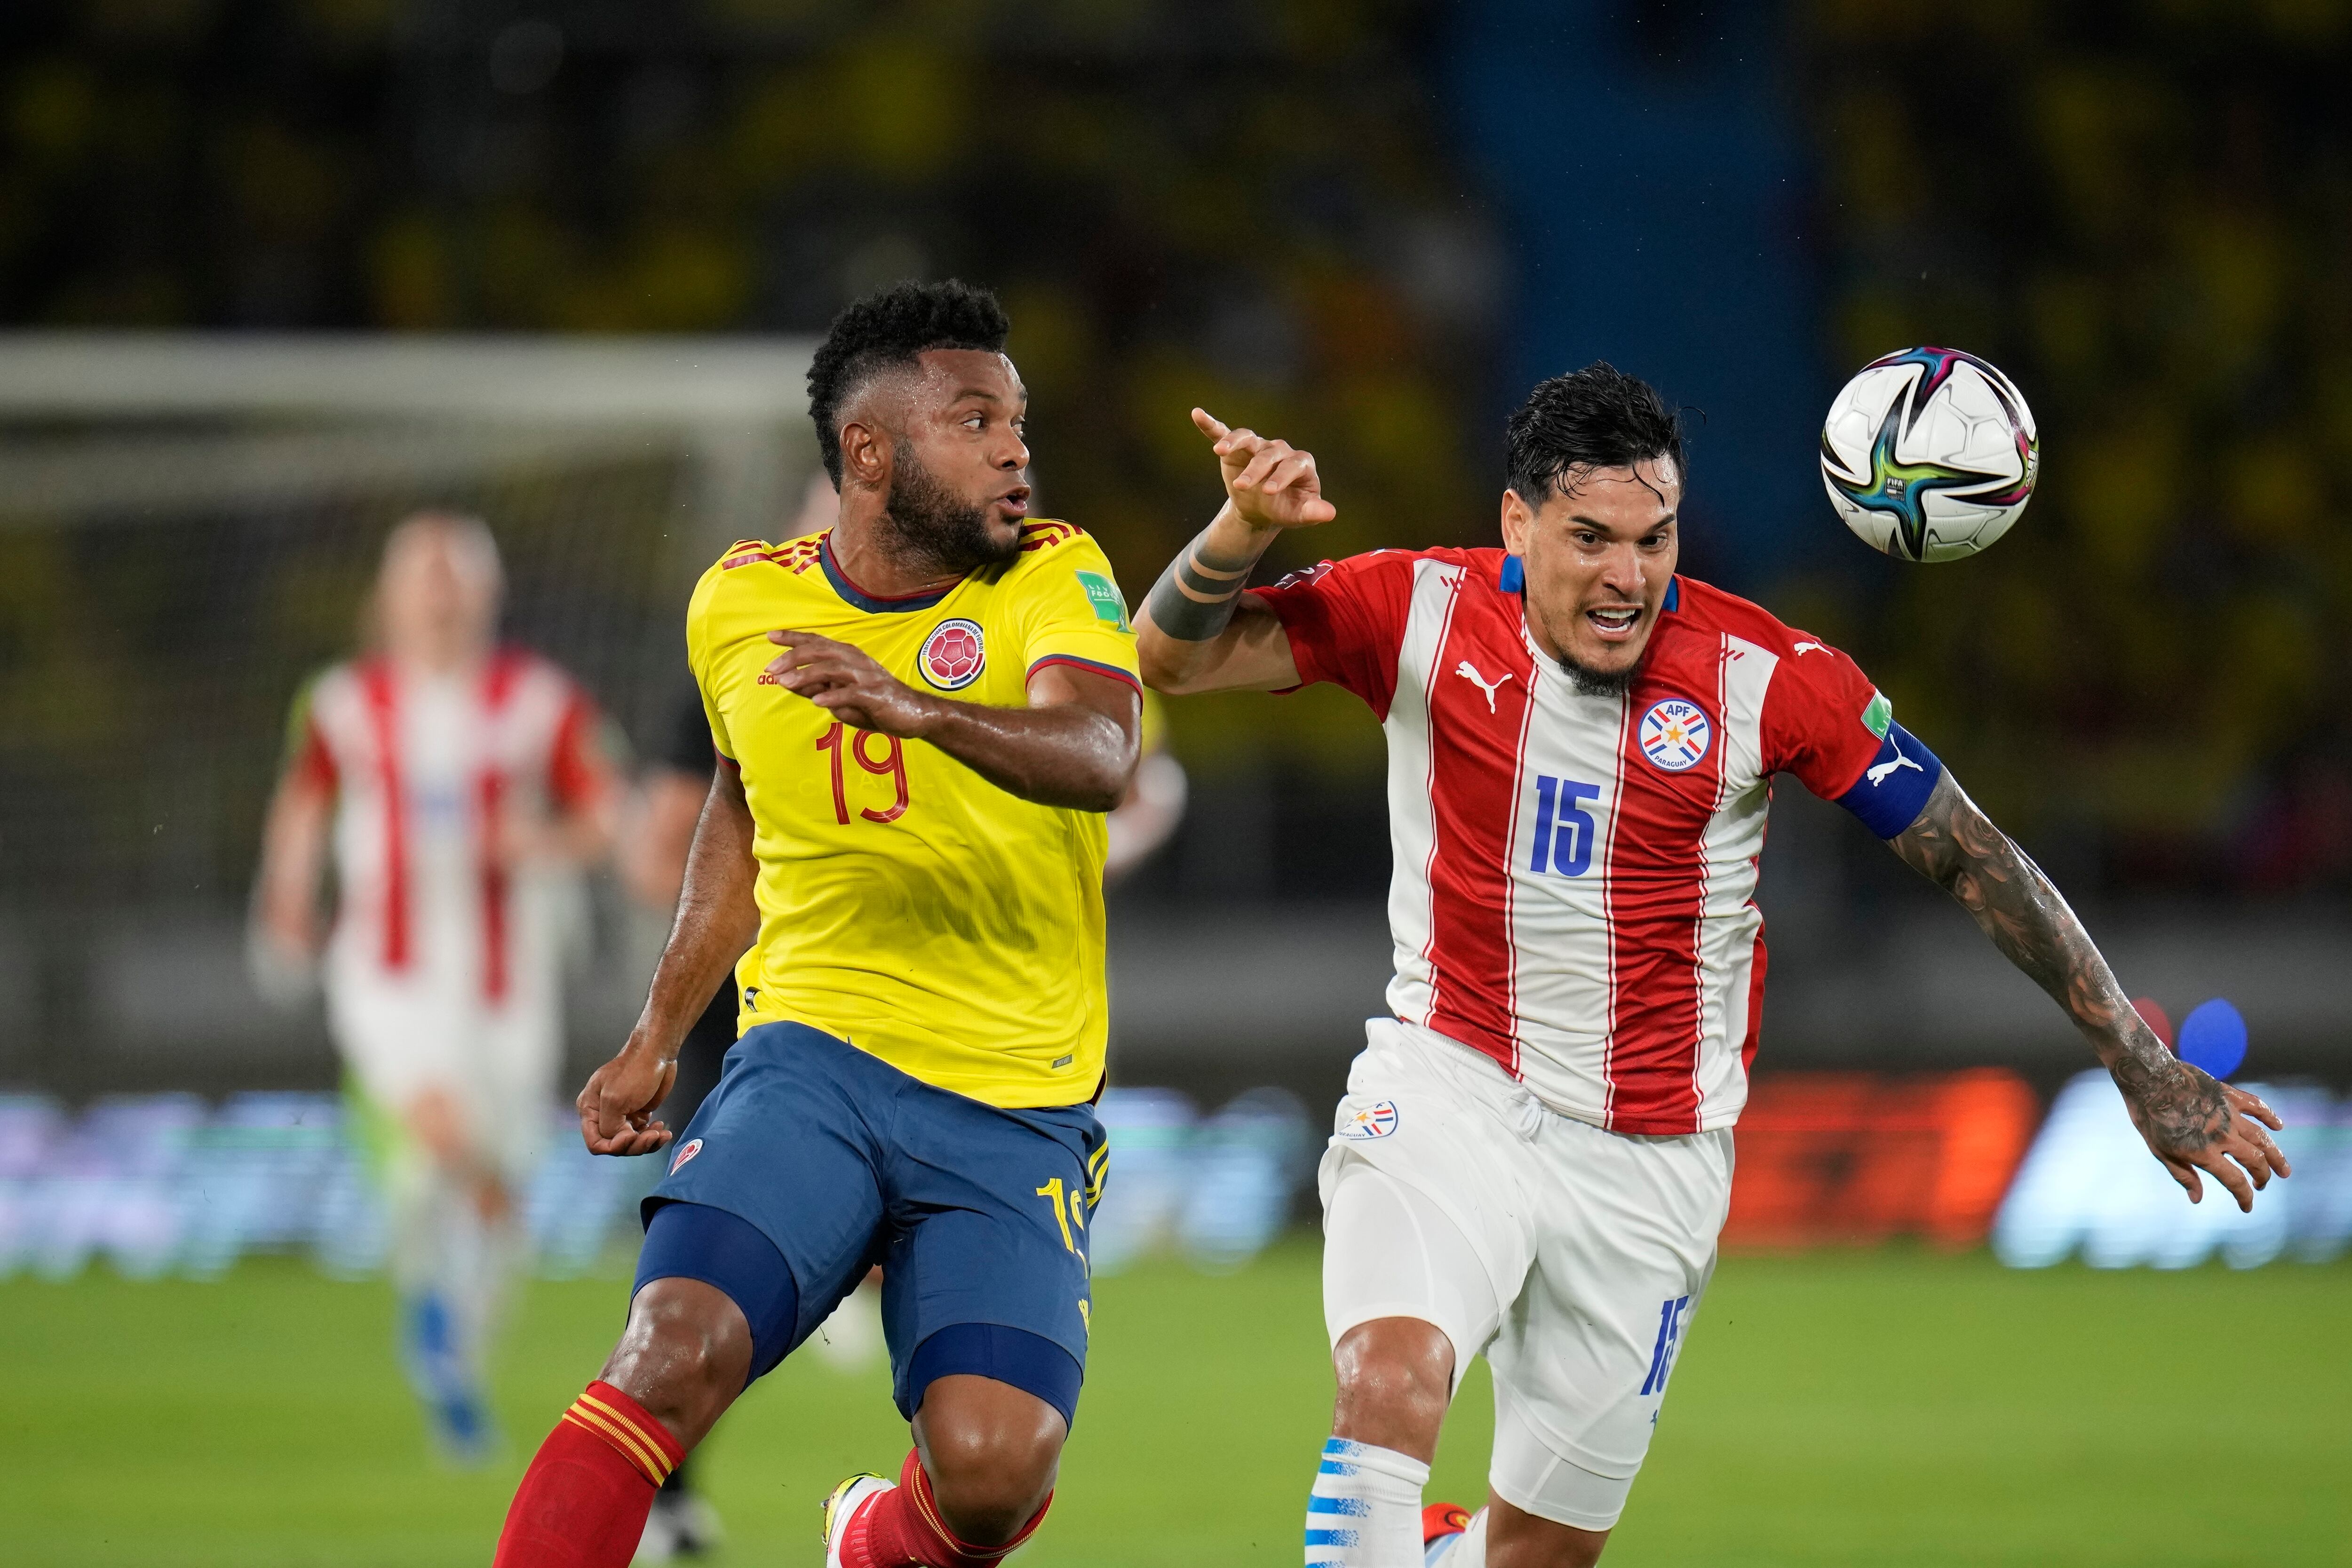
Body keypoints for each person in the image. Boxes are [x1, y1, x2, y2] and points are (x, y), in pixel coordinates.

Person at [1133, 366, 2292, 1568]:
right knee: (1389, 1378)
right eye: (1589, 539)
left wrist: (2141, 1060)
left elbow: (1969, 854)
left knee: (1539, 1550)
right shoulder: (1414, 607)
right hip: (1449, 1084)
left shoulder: (1771, 675)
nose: (1627, 577)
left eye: (1654, 538)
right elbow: (1169, 661)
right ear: (1517, 526)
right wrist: (1241, 530)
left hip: (1653, 1160)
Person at [492, 279, 1144, 1568]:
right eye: (975, 420)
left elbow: (1101, 748)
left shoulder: (1054, 571)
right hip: (814, 1064)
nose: (1015, 445)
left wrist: (923, 708)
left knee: (994, 1475)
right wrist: (656, 1033)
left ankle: (873, 1537)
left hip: (1013, 1100)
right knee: (670, 1353)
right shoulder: (739, 601)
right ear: (871, 450)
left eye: (1018, 419)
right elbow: (740, 819)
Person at [252, 512, 619, 1462]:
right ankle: (433, 1324)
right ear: (391, 596)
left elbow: (602, 816)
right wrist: (287, 898)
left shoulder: (540, 700)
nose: (442, 594)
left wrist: (535, 843)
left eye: (458, 578)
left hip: (507, 984)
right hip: (388, 971)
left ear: (489, 595)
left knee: (495, 1183)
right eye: (425, 577)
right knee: (439, 1131)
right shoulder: (341, 701)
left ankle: (453, 1350)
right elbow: (301, 804)